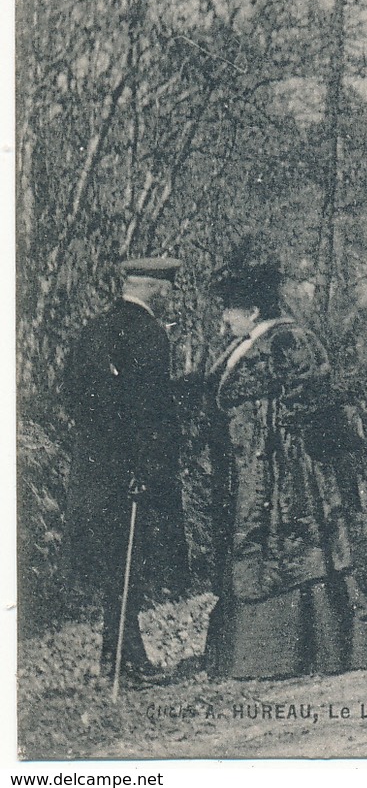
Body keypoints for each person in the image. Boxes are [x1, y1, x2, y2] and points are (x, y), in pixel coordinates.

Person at [202, 255, 367, 680]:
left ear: (252, 311)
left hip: (292, 473)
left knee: (297, 551)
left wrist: (270, 426)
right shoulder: (249, 345)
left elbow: (311, 400)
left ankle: (308, 650)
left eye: (228, 310)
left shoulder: (289, 341)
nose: (222, 319)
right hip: (257, 470)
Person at [61, 257, 190, 685]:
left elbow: (74, 398)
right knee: (129, 566)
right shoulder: (148, 334)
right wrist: (149, 468)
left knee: (117, 568)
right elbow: (149, 412)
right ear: (157, 289)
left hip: (94, 467)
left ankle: (120, 659)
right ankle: (122, 664)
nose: (171, 297)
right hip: (133, 470)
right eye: (168, 289)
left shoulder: (91, 330)